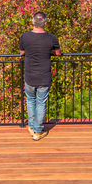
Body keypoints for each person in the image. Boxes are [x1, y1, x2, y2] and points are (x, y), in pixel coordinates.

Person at [19, 11, 60, 141]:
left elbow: (22, 52)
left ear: (32, 22)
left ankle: (32, 126)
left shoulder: (25, 36)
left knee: (30, 101)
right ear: (45, 23)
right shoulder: (51, 38)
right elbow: (58, 53)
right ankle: (37, 131)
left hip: (30, 76)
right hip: (44, 76)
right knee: (41, 103)